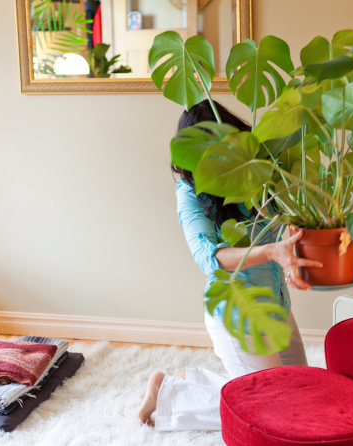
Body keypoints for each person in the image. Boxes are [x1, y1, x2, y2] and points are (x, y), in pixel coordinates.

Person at [136, 100, 323, 431]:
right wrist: (271, 253)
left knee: (303, 394)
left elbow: (284, 219)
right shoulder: (189, 192)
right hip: (237, 311)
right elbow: (210, 259)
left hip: (275, 304)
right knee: (273, 413)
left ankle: (184, 382)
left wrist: (293, 249)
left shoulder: (256, 171)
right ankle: (167, 396)